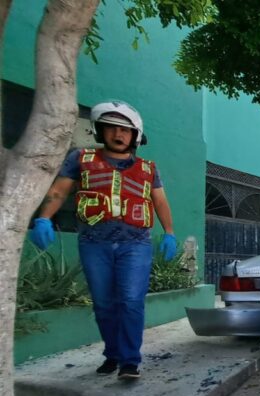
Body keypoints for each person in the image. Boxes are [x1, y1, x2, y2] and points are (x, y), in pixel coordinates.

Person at [28, 100, 176, 380]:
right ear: (100, 130)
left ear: (135, 136)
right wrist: (44, 217)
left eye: (125, 130)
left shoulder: (148, 168)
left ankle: (130, 361)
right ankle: (113, 353)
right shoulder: (81, 159)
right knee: (103, 303)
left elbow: (160, 201)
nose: (118, 134)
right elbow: (59, 191)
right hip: (94, 242)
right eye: (111, 128)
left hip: (136, 244)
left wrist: (169, 233)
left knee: (131, 301)